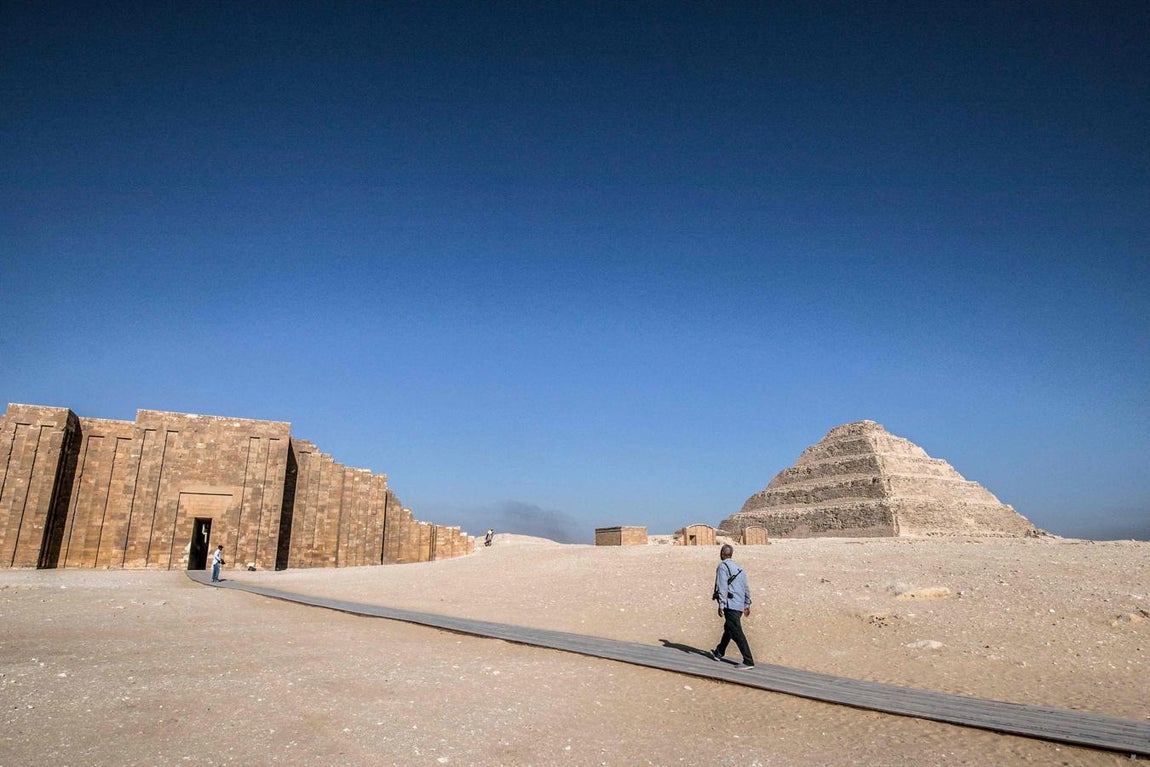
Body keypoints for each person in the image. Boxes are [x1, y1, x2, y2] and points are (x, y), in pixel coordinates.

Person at [710, 543, 754, 669]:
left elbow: (722, 587)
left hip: (731, 605)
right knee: (729, 628)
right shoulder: (740, 569)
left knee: (736, 632)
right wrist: (746, 604)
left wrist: (721, 605)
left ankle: (748, 661)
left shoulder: (723, 567)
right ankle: (719, 652)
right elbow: (746, 588)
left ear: (722, 554)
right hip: (739, 604)